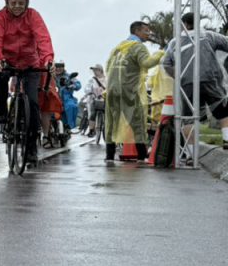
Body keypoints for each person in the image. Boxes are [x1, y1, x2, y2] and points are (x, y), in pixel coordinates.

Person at [0, 0, 54, 164]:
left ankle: (31, 147)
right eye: (13, 3)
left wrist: (48, 59)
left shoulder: (33, 16)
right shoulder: (0, 17)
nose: (17, 6)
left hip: (30, 63)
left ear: (27, 3)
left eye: (21, 3)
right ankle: (1, 108)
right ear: (7, 3)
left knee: (32, 103)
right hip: (7, 59)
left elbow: (43, 38)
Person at [162, 11, 228, 150]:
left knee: (188, 118)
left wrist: (180, 75)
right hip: (211, 80)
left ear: (184, 24)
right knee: (223, 111)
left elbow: (166, 64)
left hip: (187, 84)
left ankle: (191, 154)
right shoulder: (209, 35)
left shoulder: (175, 42)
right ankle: (227, 140)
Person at [104, 21, 164, 161]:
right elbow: (147, 63)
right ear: (137, 31)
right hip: (130, 90)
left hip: (112, 90)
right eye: (146, 31)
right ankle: (142, 155)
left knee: (111, 122)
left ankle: (109, 155)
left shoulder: (118, 48)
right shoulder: (138, 47)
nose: (148, 34)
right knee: (137, 121)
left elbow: (108, 67)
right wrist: (160, 54)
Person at [54, 61, 81, 134]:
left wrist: (73, 86)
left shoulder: (68, 76)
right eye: (56, 67)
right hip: (53, 98)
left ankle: (72, 127)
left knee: (72, 106)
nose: (58, 69)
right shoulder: (51, 76)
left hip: (67, 98)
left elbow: (78, 84)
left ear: (63, 68)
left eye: (60, 67)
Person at [84, 64, 106, 137]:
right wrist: (89, 92)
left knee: (109, 114)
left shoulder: (107, 79)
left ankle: (108, 129)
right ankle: (91, 130)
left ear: (100, 70)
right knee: (93, 113)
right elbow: (87, 88)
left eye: (96, 70)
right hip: (95, 100)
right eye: (93, 70)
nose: (94, 72)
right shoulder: (92, 80)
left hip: (106, 100)